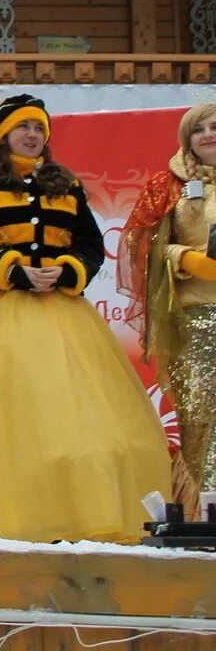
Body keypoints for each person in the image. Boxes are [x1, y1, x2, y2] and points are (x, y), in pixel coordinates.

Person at [0, 94, 170, 543]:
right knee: (23, 412)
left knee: (88, 414)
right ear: (2, 135)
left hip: (63, 310)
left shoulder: (67, 184)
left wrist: (68, 269)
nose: (33, 135)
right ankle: (21, 519)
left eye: (39, 128)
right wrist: (12, 270)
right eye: (24, 127)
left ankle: (85, 512)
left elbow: (91, 246)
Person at [121, 102, 216, 512]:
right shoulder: (168, 184)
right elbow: (138, 244)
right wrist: (183, 258)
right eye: (201, 130)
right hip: (194, 318)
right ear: (187, 139)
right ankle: (203, 510)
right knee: (197, 415)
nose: (210, 134)